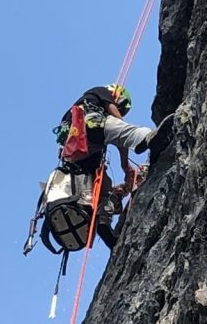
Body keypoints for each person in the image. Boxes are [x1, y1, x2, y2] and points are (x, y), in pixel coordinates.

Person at [56, 84, 174, 248]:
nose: (120, 111)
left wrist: (119, 191)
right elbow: (117, 122)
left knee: (104, 190)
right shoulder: (100, 92)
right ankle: (150, 138)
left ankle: (102, 222)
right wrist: (125, 165)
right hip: (88, 126)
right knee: (124, 130)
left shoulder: (72, 112)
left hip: (76, 153)